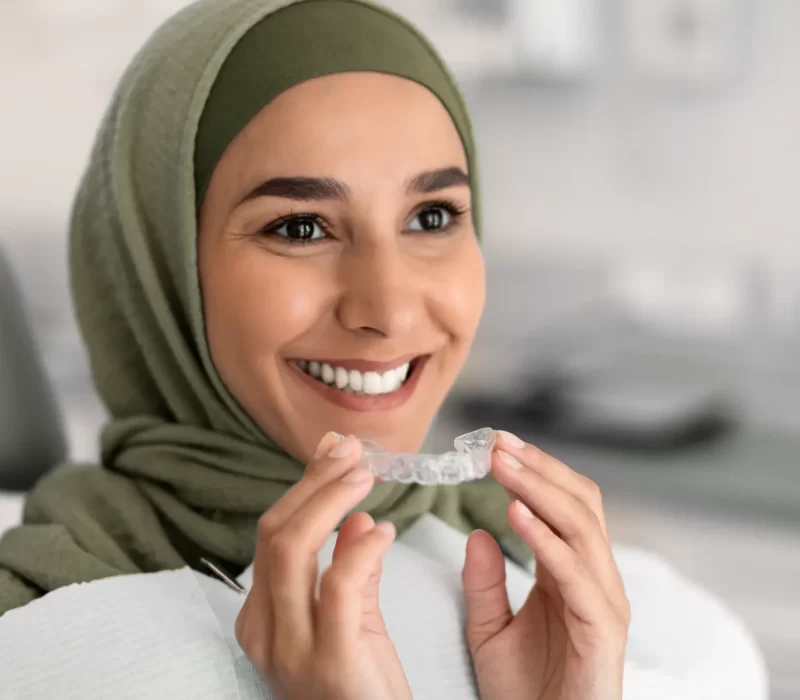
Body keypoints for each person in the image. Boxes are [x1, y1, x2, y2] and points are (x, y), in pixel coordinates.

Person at [1, 0, 632, 697]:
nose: (387, 311)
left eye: (431, 216)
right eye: (300, 228)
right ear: (161, 265)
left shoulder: (533, 582)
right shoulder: (36, 636)